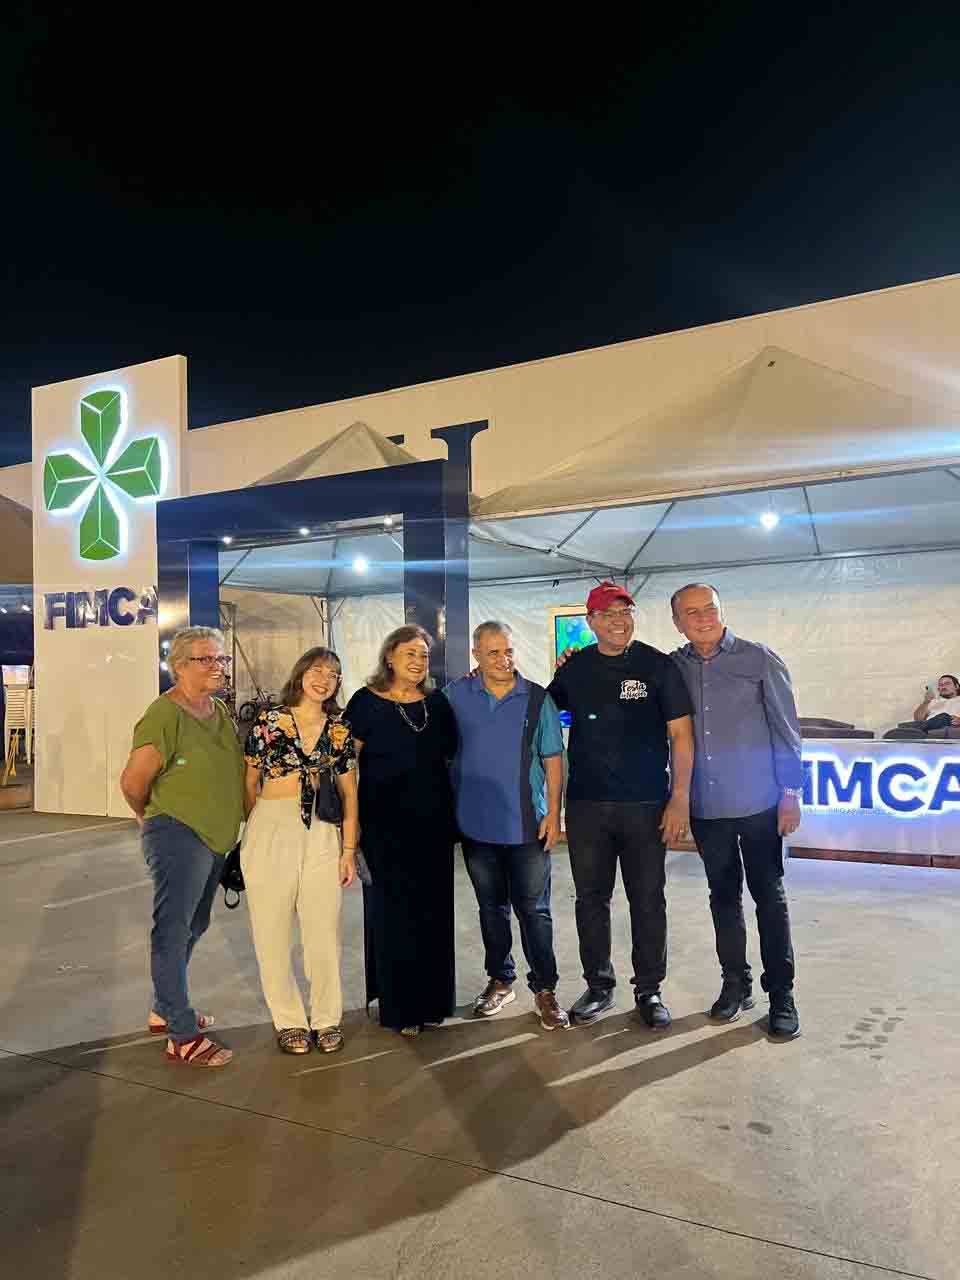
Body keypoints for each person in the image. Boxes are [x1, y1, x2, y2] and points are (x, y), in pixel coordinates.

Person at [549, 582, 694, 1029]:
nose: (618, 620)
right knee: (591, 899)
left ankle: (649, 989)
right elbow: (543, 718)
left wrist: (679, 799)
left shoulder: (658, 666)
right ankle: (599, 986)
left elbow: (681, 736)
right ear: (590, 621)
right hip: (587, 806)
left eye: (625, 612)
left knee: (647, 900)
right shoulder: (575, 669)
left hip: (645, 805)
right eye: (608, 614)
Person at [671, 583, 802, 1039]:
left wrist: (791, 793)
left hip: (760, 804)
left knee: (769, 897)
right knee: (723, 898)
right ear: (678, 623)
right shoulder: (673, 667)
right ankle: (736, 984)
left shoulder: (758, 658)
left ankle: (781, 994)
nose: (703, 618)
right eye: (692, 613)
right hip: (708, 809)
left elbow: (786, 729)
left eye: (709, 609)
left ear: (721, 611)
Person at [120, 626, 244, 1068]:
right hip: (179, 833)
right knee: (173, 930)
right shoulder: (164, 715)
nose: (218, 667)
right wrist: (149, 817)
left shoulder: (219, 711)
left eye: (221, 659)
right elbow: (133, 781)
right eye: (206, 659)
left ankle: (164, 1008)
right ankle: (181, 1032)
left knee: (195, 924)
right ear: (178, 666)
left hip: (215, 837)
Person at [445, 621, 569, 1031]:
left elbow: (553, 759)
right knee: (491, 909)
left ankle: (545, 989)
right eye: (493, 652)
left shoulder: (536, 698)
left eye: (509, 651)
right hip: (476, 826)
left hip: (527, 826)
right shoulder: (456, 695)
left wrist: (554, 814)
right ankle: (501, 980)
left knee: (534, 911)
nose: (504, 660)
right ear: (476, 656)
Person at [242, 647, 358, 1055]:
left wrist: (348, 849)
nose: (324, 679)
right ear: (301, 673)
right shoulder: (269, 721)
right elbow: (250, 781)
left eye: (333, 674)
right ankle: (289, 1020)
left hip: (323, 833)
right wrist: (258, 829)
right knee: (271, 933)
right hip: (270, 827)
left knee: (323, 933)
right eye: (317, 670)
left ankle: (326, 1019)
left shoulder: (339, 728)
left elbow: (349, 792)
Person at [344, 625, 458, 1036]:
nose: (419, 661)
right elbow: (346, 766)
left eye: (424, 654)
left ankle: (433, 1002)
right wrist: (350, 826)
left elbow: (448, 755)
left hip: (433, 824)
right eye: (410, 652)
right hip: (383, 826)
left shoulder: (437, 703)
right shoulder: (364, 702)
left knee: (433, 912)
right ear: (389, 656)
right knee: (393, 914)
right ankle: (400, 1005)